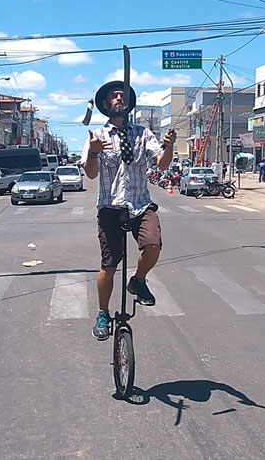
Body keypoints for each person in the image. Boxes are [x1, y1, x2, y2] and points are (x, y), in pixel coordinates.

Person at [82, 80, 177, 341]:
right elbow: (91, 175)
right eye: (114, 96)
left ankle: (138, 280)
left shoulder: (143, 133)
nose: (119, 98)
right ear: (105, 104)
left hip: (139, 204)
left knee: (153, 245)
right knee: (109, 266)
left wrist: (168, 146)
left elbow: (161, 164)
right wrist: (92, 154)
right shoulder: (97, 136)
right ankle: (102, 313)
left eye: (122, 95)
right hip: (111, 208)